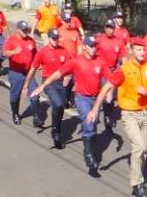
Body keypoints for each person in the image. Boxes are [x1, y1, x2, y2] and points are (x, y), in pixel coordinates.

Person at [87, 37, 147, 197]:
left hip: (146, 112)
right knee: (139, 146)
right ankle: (137, 184)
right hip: (129, 113)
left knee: (143, 150)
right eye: (139, 49)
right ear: (132, 50)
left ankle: (137, 176)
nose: (142, 52)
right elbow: (107, 87)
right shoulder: (124, 70)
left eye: (144, 50)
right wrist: (95, 108)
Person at [32, 35, 111, 176]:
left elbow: (110, 79)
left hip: (95, 99)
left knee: (92, 126)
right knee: (88, 121)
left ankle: (90, 149)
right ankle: (89, 157)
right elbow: (58, 74)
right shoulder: (76, 62)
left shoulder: (100, 62)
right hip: (81, 98)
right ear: (85, 46)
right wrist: (43, 85)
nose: (94, 49)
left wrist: (110, 92)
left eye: (95, 46)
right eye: (91, 46)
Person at [23, 29, 73, 148]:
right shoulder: (42, 52)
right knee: (59, 104)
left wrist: (68, 76)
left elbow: (70, 65)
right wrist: (26, 85)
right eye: (53, 38)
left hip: (60, 83)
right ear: (49, 38)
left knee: (60, 108)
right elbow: (33, 69)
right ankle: (55, 132)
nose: (55, 40)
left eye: (57, 38)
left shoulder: (63, 50)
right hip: (48, 83)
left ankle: (57, 129)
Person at [3, 21, 42, 126]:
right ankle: (15, 114)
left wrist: (39, 64)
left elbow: (35, 55)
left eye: (27, 30)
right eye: (23, 30)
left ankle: (36, 117)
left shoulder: (31, 41)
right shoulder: (11, 40)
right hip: (16, 72)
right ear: (18, 30)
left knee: (35, 95)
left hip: (28, 72)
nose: (26, 32)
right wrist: (14, 52)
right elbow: (5, 53)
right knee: (15, 95)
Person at [96, 19, 126, 132]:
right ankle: (101, 113)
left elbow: (124, 58)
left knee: (111, 96)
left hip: (113, 71)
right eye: (107, 27)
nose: (109, 29)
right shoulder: (99, 40)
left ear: (114, 29)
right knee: (103, 94)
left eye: (111, 27)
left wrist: (127, 70)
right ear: (104, 28)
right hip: (101, 71)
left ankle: (108, 115)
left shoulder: (119, 42)